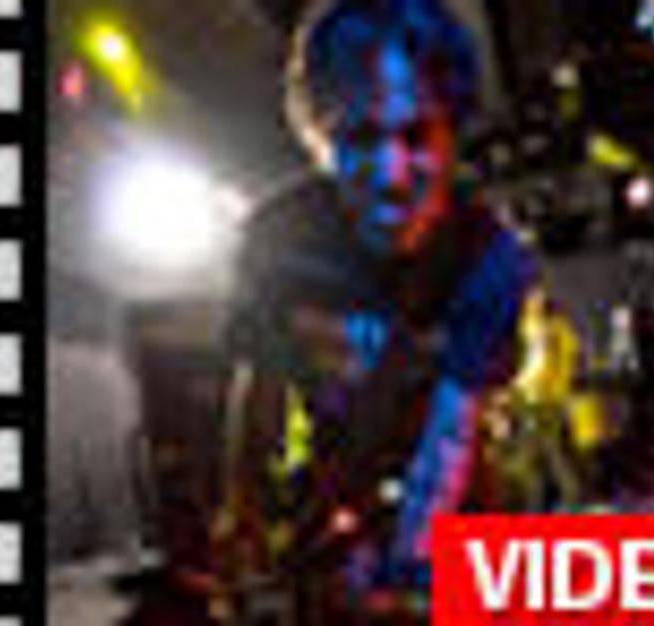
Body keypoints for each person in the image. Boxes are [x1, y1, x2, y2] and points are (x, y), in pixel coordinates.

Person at [216, 0, 536, 616]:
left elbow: (451, 439)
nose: (390, 175)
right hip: (329, 509)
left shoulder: (488, 255)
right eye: (360, 138)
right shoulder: (276, 239)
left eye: (416, 136)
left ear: (454, 134)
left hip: (453, 506)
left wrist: (408, 575)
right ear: (319, 139)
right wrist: (243, 510)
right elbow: (258, 390)